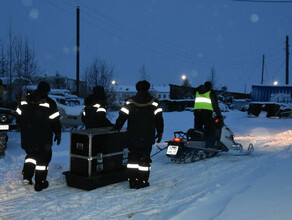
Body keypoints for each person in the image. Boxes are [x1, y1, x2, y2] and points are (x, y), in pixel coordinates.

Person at [114, 80, 164, 189]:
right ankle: (143, 181)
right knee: (144, 159)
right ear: (147, 88)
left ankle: (132, 182)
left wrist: (117, 127)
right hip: (147, 136)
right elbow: (159, 120)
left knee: (132, 159)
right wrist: (160, 132)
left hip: (132, 136)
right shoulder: (154, 103)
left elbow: (122, 117)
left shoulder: (130, 103)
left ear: (137, 89)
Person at [16, 81, 62, 192]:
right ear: (47, 91)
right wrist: (58, 133)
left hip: (27, 137)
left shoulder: (25, 101)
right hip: (43, 138)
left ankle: (27, 178)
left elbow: (18, 116)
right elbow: (55, 121)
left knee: (31, 155)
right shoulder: (50, 103)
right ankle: (40, 182)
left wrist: (24, 128)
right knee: (43, 159)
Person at [193, 81, 222, 150]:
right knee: (210, 130)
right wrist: (219, 115)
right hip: (206, 113)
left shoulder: (197, 92)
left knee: (198, 130)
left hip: (197, 113)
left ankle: (195, 146)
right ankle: (210, 147)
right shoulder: (210, 93)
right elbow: (215, 105)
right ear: (210, 86)